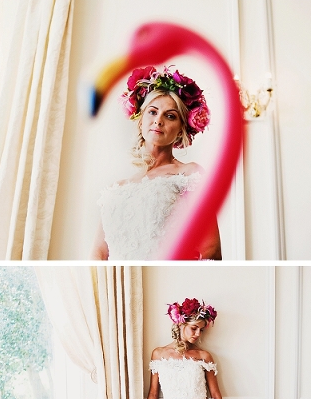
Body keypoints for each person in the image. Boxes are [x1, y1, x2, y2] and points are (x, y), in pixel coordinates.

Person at [92, 65, 222, 260]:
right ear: (140, 120)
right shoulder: (116, 189)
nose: (158, 120)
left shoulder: (189, 174)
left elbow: (211, 250)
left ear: (181, 130)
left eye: (170, 116)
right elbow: (99, 253)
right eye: (152, 112)